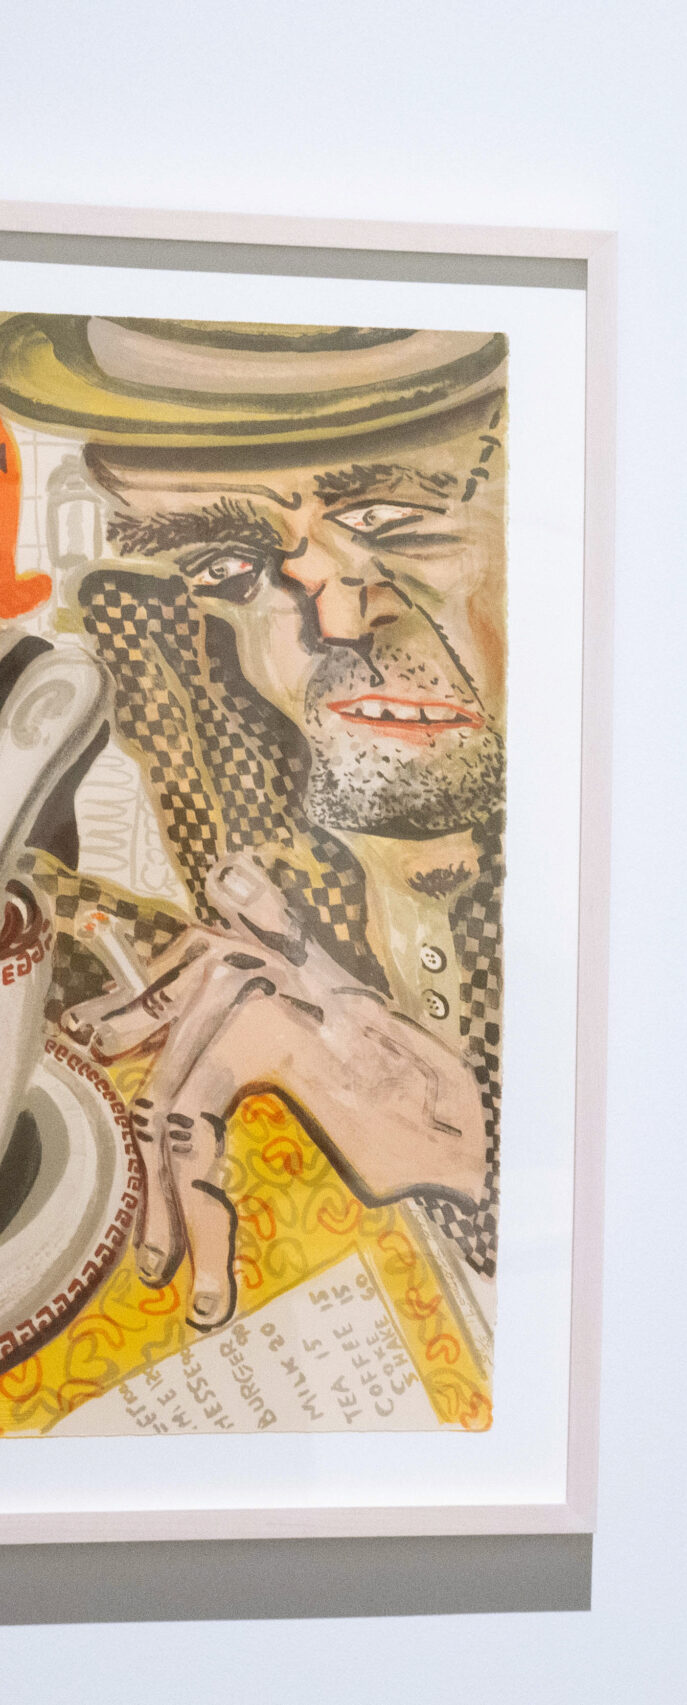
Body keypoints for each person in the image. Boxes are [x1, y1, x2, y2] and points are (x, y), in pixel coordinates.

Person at [0, 316, 505, 1364]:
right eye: (232, 564)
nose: (323, 621)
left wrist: (475, 1157)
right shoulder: (200, 683)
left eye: (387, 514)